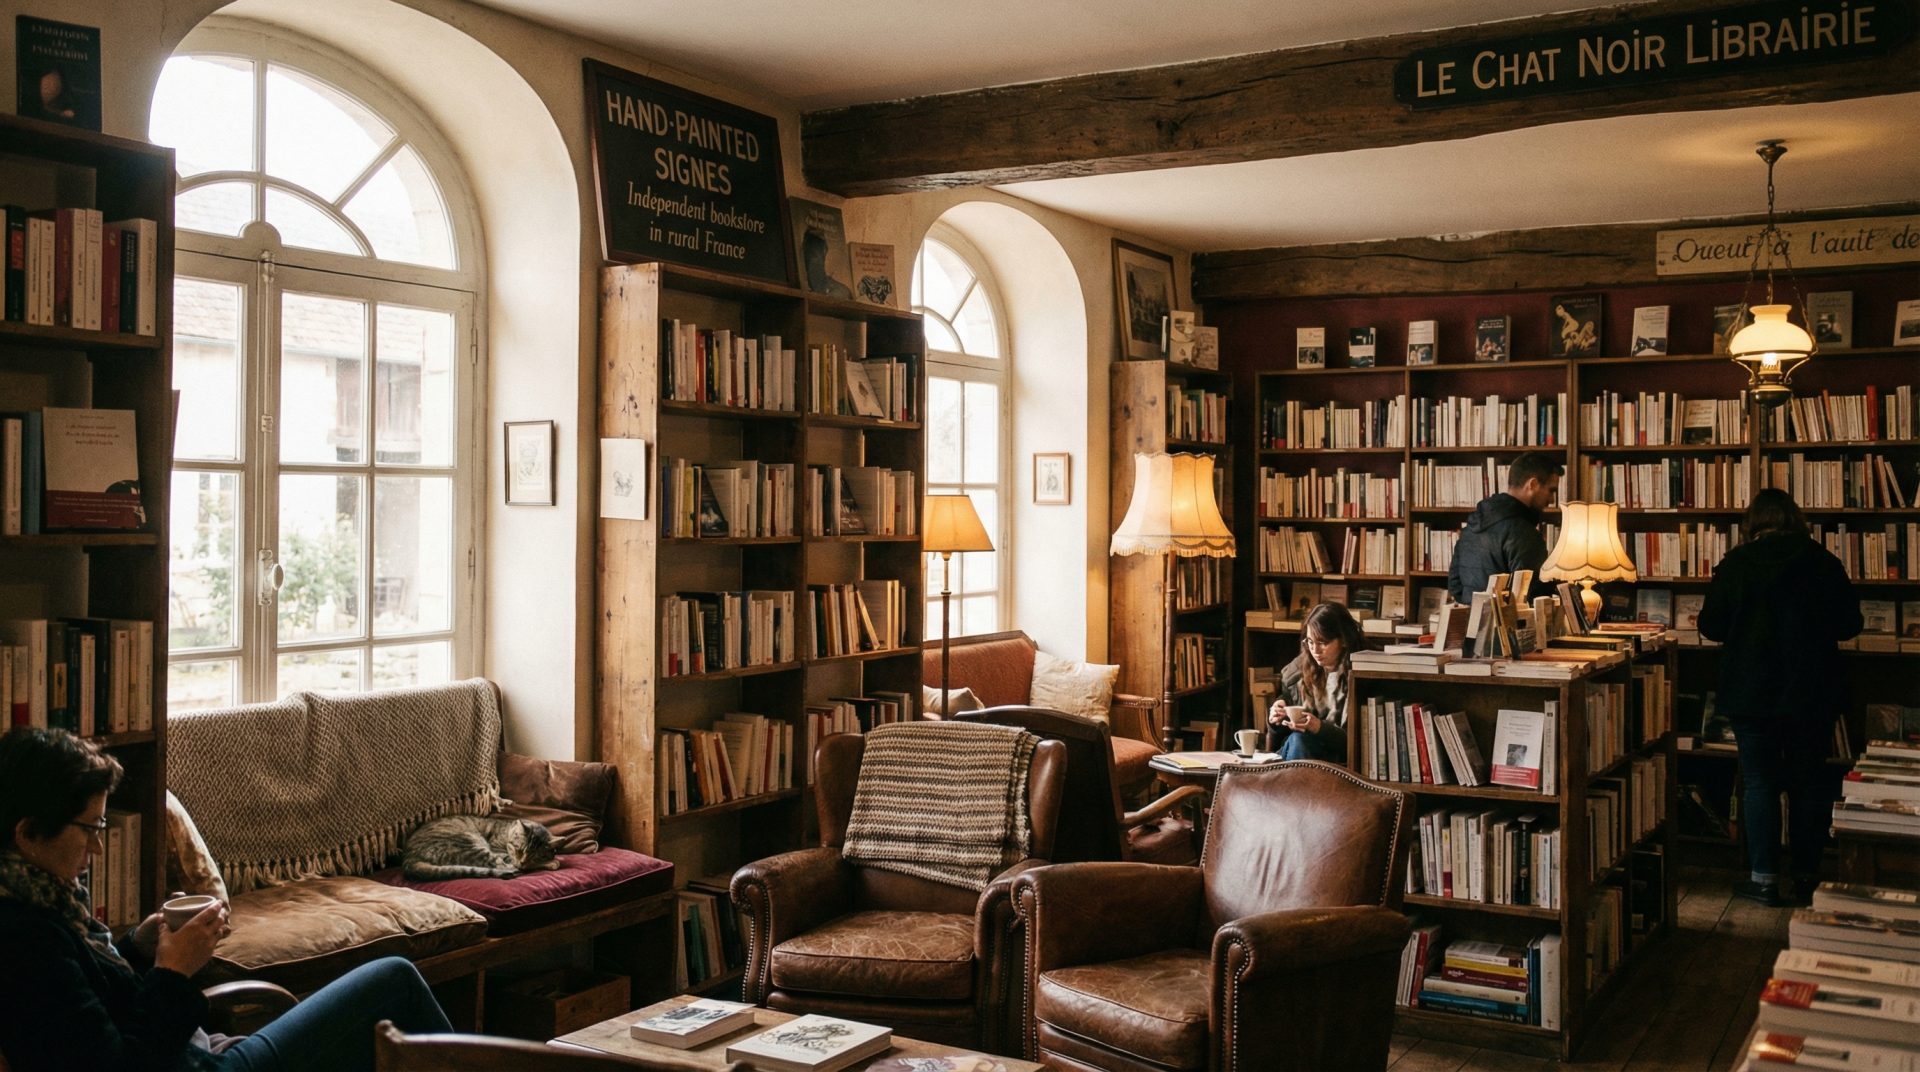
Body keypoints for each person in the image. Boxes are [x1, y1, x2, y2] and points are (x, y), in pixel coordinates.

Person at [0, 728, 453, 1071]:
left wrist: (135, 949)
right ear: (28, 834)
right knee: (393, 981)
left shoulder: (43, 900)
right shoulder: (23, 939)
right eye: (89, 829)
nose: (97, 849)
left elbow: (89, 1002)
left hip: (197, 1049)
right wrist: (174, 974)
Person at [1698, 488, 1862, 907]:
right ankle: (1807, 877)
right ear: (1795, 519)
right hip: (1811, 693)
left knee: (1759, 784)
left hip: (1751, 694)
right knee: (1810, 784)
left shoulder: (1737, 563)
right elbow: (1850, 624)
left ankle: (1763, 878)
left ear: (1753, 522)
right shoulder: (1822, 561)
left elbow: (1711, 626)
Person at [1447, 450, 1562, 604]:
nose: (1552, 499)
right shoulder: (1523, 533)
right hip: (1507, 627)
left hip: (1471, 624)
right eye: (1551, 490)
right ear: (1532, 484)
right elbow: (1532, 598)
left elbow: (1455, 586)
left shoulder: (1471, 526)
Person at [1264, 602, 1361, 763]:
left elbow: (1358, 742)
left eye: (1323, 642)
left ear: (1344, 640)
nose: (1315, 650)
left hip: (1343, 760)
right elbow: (1278, 738)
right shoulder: (1298, 674)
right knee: (1298, 740)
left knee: (1300, 741)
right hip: (1300, 754)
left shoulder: (1360, 676)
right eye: (1309, 641)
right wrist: (1275, 719)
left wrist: (1319, 728)